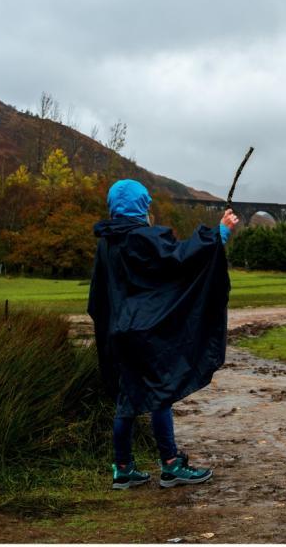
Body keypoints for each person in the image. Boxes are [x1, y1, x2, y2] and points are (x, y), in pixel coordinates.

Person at [88, 179, 238, 489]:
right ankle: (170, 465)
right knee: (160, 396)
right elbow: (179, 260)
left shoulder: (107, 242)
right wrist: (218, 234)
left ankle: (123, 469)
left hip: (119, 332)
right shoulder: (141, 238)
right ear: (140, 204)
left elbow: (99, 295)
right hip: (146, 331)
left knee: (127, 398)